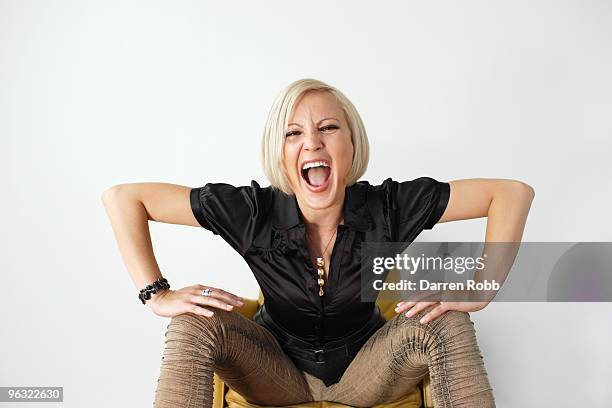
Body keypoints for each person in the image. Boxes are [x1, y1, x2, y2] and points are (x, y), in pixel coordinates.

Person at [101, 78, 535, 407]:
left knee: (447, 320)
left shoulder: (389, 205)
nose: (312, 141)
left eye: (328, 127)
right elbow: (125, 199)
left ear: (350, 144)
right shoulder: (253, 210)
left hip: (368, 370)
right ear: (282, 151)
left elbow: (510, 193)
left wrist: (482, 287)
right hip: (276, 371)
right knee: (192, 321)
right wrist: (156, 294)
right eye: (294, 133)